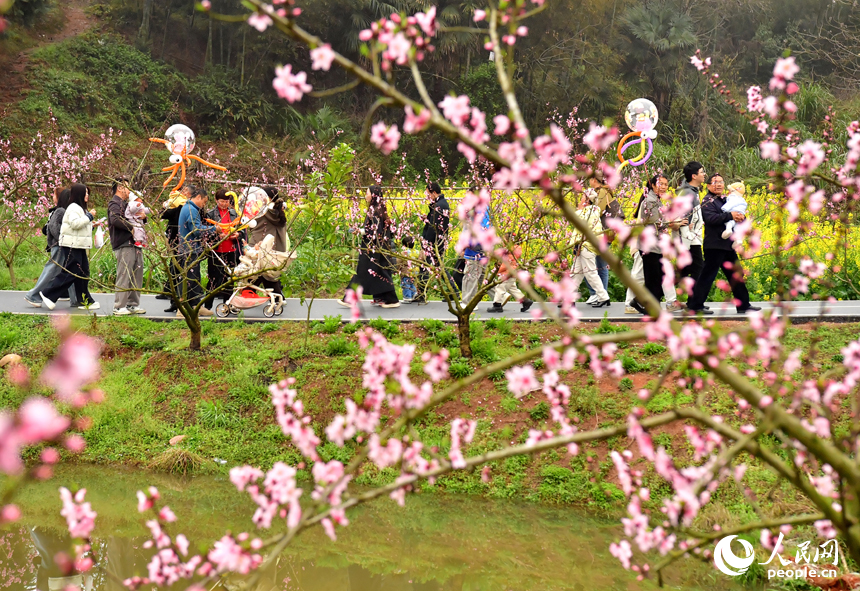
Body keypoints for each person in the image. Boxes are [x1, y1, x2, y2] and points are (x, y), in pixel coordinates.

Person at [686, 174, 761, 315]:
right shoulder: (708, 201)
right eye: (715, 182)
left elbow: (736, 214)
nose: (719, 185)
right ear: (708, 186)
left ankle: (743, 305)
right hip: (714, 245)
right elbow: (711, 219)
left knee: (736, 275)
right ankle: (695, 305)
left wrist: (740, 217)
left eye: (721, 182)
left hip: (727, 244)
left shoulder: (726, 200)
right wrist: (731, 216)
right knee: (707, 276)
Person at [625, 175, 685, 313]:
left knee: (657, 278)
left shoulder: (657, 201)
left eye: (665, 184)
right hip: (648, 245)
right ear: (652, 185)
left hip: (657, 245)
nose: (664, 187)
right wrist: (670, 223)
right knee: (652, 279)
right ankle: (647, 306)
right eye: (660, 184)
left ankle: (641, 302)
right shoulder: (649, 202)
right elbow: (651, 223)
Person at [39, 183, 99, 310]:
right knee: (71, 272)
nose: (87, 195)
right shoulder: (73, 207)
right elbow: (75, 224)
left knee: (83, 272)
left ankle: (84, 300)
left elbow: (80, 226)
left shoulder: (80, 208)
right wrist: (89, 217)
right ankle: (48, 294)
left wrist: (91, 224)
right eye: (86, 193)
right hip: (72, 245)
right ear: (80, 194)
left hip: (78, 245)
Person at [338, 186, 399, 308]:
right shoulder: (379, 209)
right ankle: (389, 298)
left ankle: (350, 299)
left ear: (373, 195)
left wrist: (361, 231)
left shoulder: (375, 211)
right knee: (381, 272)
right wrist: (360, 231)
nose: (365, 195)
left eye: (367, 193)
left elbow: (376, 231)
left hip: (372, 248)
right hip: (378, 247)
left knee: (362, 272)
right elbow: (374, 230)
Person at [25, 188, 77, 307]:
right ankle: (33, 295)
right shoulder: (60, 211)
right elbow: (53, 227)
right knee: (52, 270)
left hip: (62, 245)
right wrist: (63, 240)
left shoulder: (63, 211)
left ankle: (75, 299)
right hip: (59, 246)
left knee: (70, 270)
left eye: (53, 194)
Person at [107, 178, 146, 316]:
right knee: (125, 274)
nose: (129, 191)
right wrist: (132, 228)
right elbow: (115, 220)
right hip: (124, 243)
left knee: (137, 273)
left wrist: (143, 217)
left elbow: (137, 216)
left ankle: (132, 304)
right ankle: (119, 306)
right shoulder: (114, 203)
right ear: (120, 188)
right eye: (127, 187)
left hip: (135, 242)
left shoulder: (127, 204)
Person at [177, 185, 216, 317]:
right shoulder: (191, 210)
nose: (204, 205)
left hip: (191, 248)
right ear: (198, 197)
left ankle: (195, 305)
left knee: (194, 278)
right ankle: (183, 308)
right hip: (189, 250)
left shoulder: (189, 208)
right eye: (204, 202)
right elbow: (196, 229)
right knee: (189, 279)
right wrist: (213, 229)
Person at [204, 188, 244, 310]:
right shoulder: (210, 214)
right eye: (222, 201)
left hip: (231, 250)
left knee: (229, 279)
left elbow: (241, 228)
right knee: (213, 279)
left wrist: (237, 234)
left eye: (227, 201)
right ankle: (207, 305)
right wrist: (217, 235)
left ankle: (228, 304)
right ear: (216, 200)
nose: (224, 204)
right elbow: (205, 232)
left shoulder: (234, 214)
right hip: (216, 251)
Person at [568, 191, 610, 307]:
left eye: (582, 197)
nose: (580, 200)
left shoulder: (589, 212)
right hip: (583, 246)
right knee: (576, 273)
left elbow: (574, 218)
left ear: (587, 200)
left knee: (590, 273)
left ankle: (603, 297)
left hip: (586, 246)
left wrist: (579, 208)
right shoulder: (593, 211)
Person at [413, 181, 450, 305]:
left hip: (433, 243)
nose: (427, 197)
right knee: (438, 267)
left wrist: (425, 245)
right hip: (437, 242)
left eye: (428, 194)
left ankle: (422, 294)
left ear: (434, 193)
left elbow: (433, 228)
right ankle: (452, 292)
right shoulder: (440, 204)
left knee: (425, 267)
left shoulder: (439, 205)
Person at [249, 186, 288, 297]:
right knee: (267, 273)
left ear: (268, 197)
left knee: (256, 272)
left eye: (261, 195)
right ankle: (277, 296)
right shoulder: (279, 211)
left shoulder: (263, 211)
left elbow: (253, 225)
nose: (259, 197)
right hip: (275, 247)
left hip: (260, 245)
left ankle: (249, 294)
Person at [582, 173, 614, 303]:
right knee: (598, 265)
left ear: (594, 179)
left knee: (597, 265)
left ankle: (598, 294)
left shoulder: (602, 192)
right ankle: (600, 294)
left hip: (602, 234)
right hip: (604, 233)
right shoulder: (604, 191)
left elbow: (598, 211)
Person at [674, 161, 706, 289]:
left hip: (692, 237)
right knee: (697, 268)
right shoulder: (688, 192)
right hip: (688, 237)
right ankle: (694, 303)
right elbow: (682, 215)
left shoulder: (692, 191)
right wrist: (687, 234)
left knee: (685, 270)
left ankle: (693, 302)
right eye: (702, 172)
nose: (704, 174)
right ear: (694, 176)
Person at [159, 186, 190, 312]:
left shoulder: (183, 207)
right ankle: (174, 300)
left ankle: (178, 300)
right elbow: (163, 214)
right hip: (178, 242)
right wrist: (166, 205)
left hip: (182, 242)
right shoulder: (178, 206)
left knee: (178, 271)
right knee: (175, 269)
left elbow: (162, 214)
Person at [486, 244, 533, 313]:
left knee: (499, 288)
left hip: (506, 274)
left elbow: (504, 266)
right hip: (512, 273)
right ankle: (525, 301)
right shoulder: (514, 252)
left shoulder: (508, 254)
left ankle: (497, 305)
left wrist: (498, 269)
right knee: (512, 288)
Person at [461, 203, 491, 307]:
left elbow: (468, 230)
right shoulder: (486, 208)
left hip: (473, 249)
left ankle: (468, 302)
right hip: (484, 248)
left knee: (470, 276)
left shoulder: (473, 210)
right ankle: (500, 296)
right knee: (482, 275)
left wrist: (464, 245)